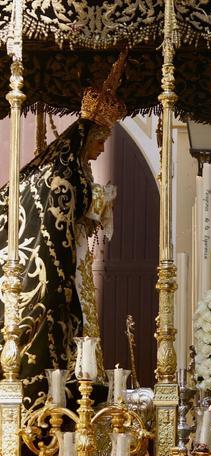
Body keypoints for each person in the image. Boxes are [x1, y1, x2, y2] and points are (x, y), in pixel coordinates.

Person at [0, 51, 127, 404]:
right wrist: (100, 203)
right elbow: (65, 209)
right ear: (86, 139)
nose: (102, 150)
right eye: (100, 142)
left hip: (74, 266)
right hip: (55, 273)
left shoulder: (75, 172)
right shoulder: (62, 175)